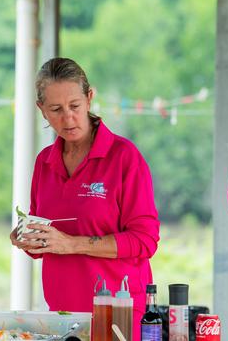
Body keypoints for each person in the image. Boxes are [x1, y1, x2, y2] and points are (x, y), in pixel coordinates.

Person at [10, 57, 160, 341]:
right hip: (61, 318)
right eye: (56, 109)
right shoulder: (44, 162)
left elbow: (146, 240)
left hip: (119, 314)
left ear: (89, 98)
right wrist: (27, 237)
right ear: (41, 110)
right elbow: (43, 239)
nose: (67, 118)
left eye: (74, 106)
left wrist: (71, 244)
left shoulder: (124, 158)